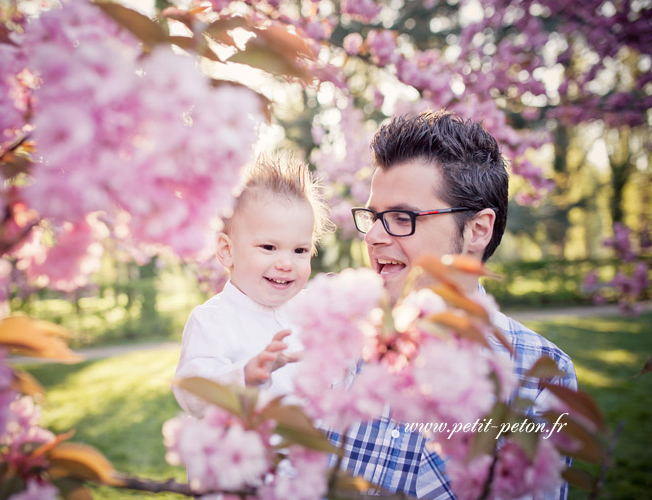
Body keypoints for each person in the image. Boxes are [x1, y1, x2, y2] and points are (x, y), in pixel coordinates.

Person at [331, 110, 578, 499]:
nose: (374, 235)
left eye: (401, 217)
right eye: (374, 217)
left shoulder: (539, 374)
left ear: (478, 230)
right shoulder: (336, 339)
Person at [172, 155, 331, 417]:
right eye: (269, 247)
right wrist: (244, 375)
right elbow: (191, 392)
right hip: (255, 452)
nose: (286, 263)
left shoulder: (312, 310)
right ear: (226, 251)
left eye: (300, 250)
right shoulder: (213, 320)